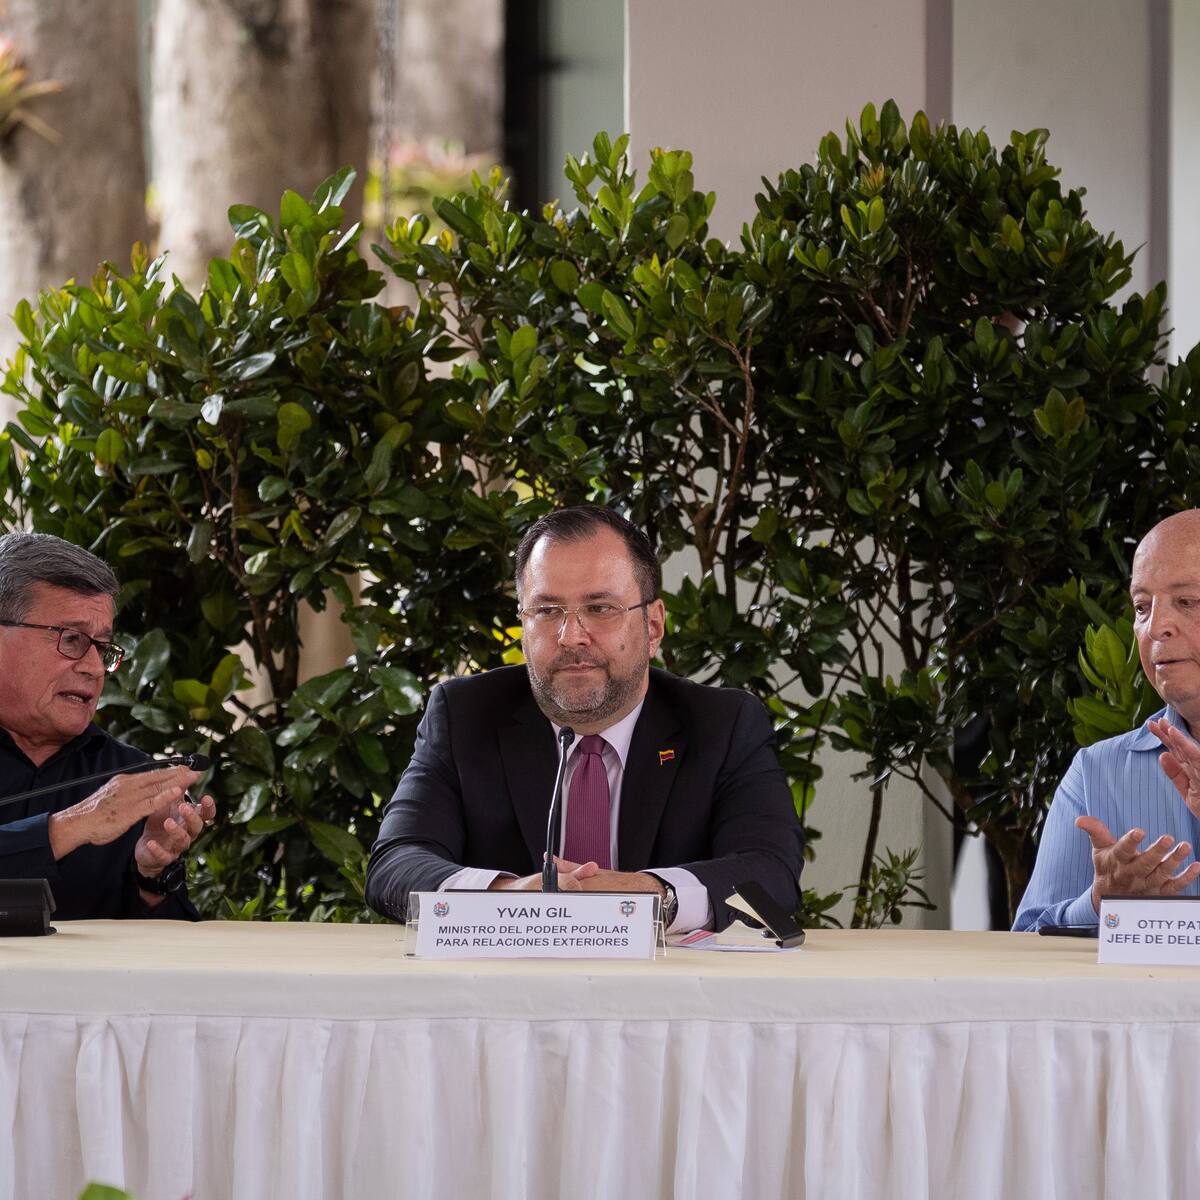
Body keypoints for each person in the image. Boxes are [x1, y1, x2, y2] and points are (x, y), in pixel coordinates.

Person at [365, 506, 804, 932]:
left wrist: (647, 895)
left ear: (652, 626)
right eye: (547, 610)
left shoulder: (722, 724)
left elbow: (771, 874)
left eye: (600, 608)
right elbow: (396, 863)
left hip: (670, 992)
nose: (571, 636)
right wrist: (505, 896)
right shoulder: (465, 715)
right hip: (502, 990)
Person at [0, 531, 216, 920]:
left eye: (102, 648)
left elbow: (173, 955)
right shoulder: (110, 801)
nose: (94, 667)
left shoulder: (130, 779)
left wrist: (151, 876)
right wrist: (76, 824)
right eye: (72, 639)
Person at [1014, 510, 1200, 930]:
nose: (1156, 627)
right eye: (1141, 607)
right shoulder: (1098, 771)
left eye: (1187, 601)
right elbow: (1026, 942)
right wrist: (1101, 903)